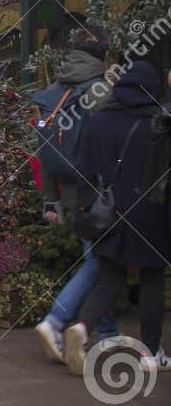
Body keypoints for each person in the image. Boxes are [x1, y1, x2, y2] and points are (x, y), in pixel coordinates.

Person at [64, 60, 171, 376]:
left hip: (109, 212)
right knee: (152, 279)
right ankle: (151, 353)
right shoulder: (159, 123)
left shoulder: (99, 121)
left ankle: (82, 328)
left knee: (110, 278)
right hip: (152, 212)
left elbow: (84, 169)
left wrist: (83, 209)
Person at [31, 25, 118, 361]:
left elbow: (46, 151)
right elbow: (112, 147)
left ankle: (107, 332)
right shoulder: (101, 91)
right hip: (99, 193)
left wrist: (50, 200)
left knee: (96, 259)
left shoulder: (54, 91)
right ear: (103, 55)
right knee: (100, 260)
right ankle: (55, 320)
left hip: (70, 193)